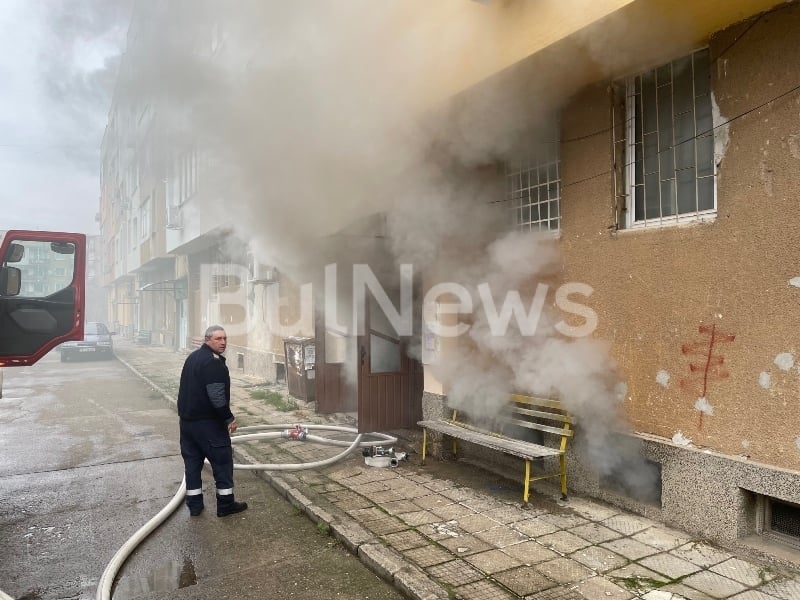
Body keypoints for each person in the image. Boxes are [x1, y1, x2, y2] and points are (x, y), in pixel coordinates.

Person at [178, 325, 248, 517]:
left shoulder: (193, 357)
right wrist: (228, 418)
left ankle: (195, 506)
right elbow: (216, 396)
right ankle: (226, 505)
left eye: (225, 338)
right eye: (218, 339)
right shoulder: (212, 362)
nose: (223, 342)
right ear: (207, 340)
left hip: (187, 424)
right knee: (222, 462)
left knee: (192, 465)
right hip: (208, 424)